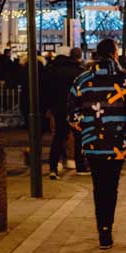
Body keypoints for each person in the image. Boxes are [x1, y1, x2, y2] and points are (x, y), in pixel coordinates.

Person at [69, 39, 126, 249]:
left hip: (93, 143)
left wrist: (87, 128)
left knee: (99, 186)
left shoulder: (82, 80)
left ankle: (102, 230)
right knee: (112, 185)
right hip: (119, 142)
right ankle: (108, 227)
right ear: (115, 54)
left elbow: (72, 115)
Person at [45, 47, 84, 176]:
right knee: (78, 136)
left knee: (59, 136)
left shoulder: (52, 70)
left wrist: (50, 106)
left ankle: (53, 167)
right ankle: (80, 165)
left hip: (58, 107)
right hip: (74, 107)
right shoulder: (78, 71)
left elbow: (48, 90)